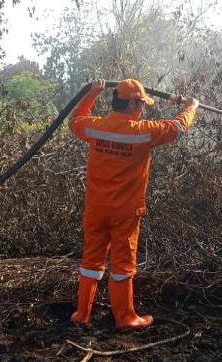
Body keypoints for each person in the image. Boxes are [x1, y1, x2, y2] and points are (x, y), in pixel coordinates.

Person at [68, 78, 199, 330]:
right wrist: (191, 106)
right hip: (125, 212)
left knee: (91, 260)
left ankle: (82, 314)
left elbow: (75, 120)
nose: (142, 109)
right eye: (140, 104)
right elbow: (176, 127)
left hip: (96, 208)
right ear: (130, 104)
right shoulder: (142, 132)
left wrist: (92, 92)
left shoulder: (95, 127)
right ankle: (125, 317)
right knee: (122, 264)